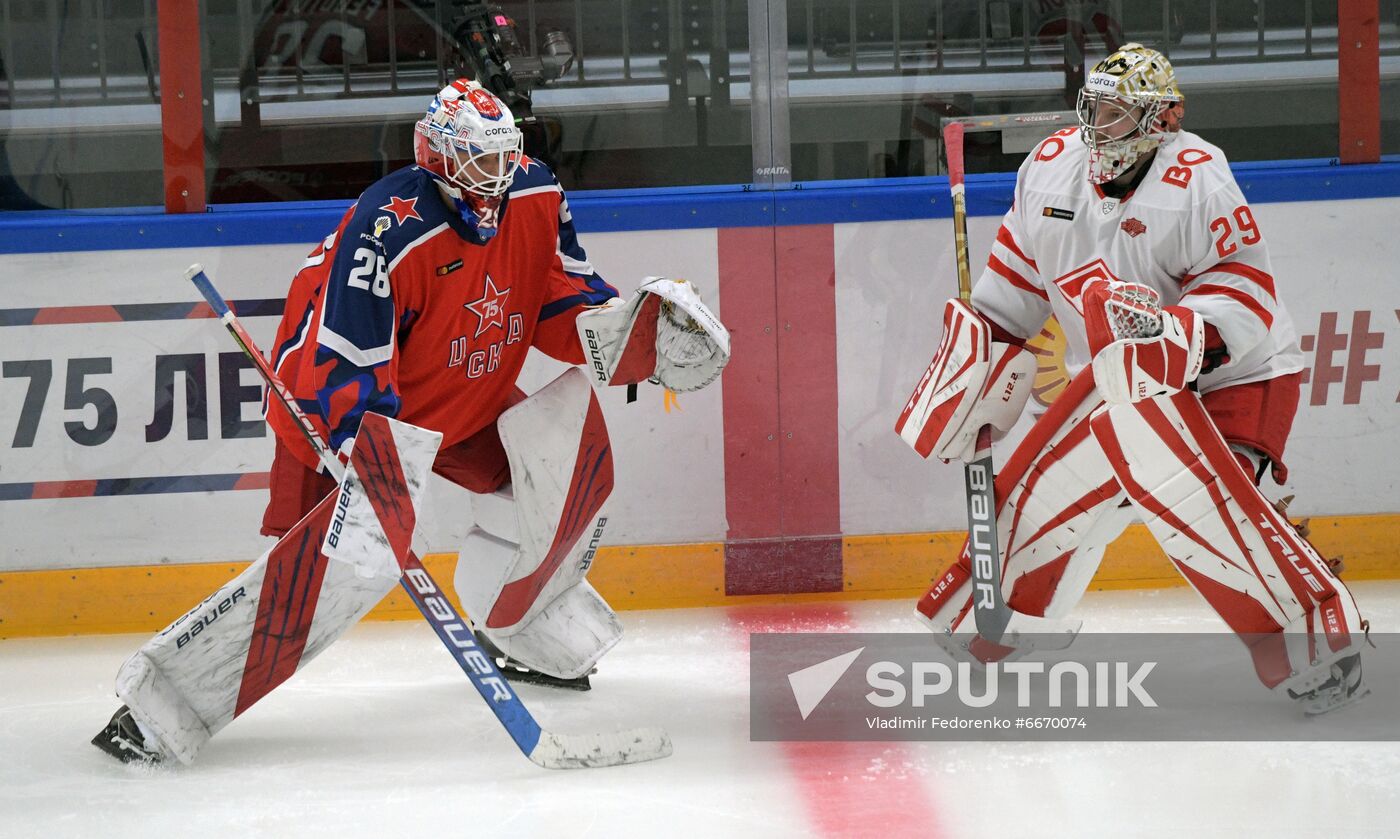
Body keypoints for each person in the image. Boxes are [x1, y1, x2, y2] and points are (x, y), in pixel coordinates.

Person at [92, 78, 729, 763]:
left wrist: (633, 334)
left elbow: (563, 302)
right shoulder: (387, 225)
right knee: (331, 564)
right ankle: (163, 706)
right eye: (480, 161)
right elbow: (343, 359)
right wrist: (363, 460)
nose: (499, 175)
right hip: (346, 408)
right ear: (438, 159)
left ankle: (522, 628)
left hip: (466, 399)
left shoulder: (538, 194)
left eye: (506, 156)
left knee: (570, 466)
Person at [896, 44, 1368, 714]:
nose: (1097, 125)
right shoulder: (1050, 172)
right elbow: (1012, 291)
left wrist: (1175, 336)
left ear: (1163, 120)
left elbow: (1245, 291)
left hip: (1235, 376)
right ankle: (1002, 627)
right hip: (1120, 378)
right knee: (1039, 490)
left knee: (1195, 505)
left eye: (1118, 113)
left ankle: (1314, 644)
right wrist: (977, 361)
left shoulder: (1200, 177)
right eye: (1094, 107)